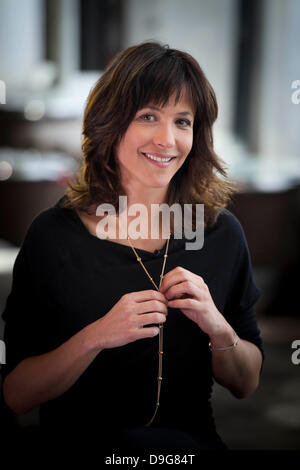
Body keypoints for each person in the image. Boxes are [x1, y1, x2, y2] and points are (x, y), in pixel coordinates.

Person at [1, 42, 263, 457]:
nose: (167, 139)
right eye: (148, 117)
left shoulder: (221, 234)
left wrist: (217, 326)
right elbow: (16, 394)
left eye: (182, 121)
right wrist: (95, 338)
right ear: (111, 123)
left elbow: (246, 384)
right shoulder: (53, 237)